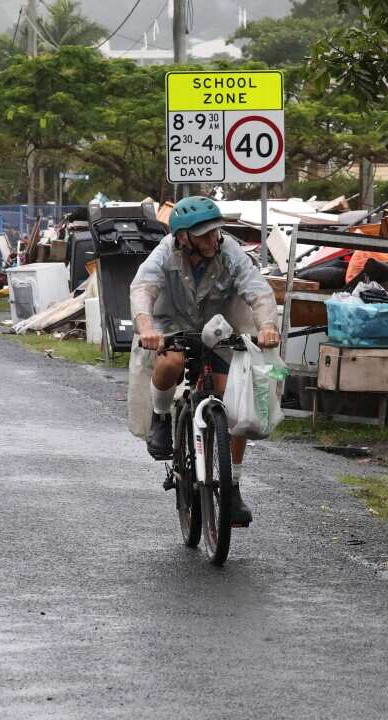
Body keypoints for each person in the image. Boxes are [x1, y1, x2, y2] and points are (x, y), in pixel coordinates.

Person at [129, 195, 279, 525]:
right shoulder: (165, 252)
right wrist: (147, 328)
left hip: (220, 327)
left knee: (235, 403)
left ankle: (232, 486)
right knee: (171, 363)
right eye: (204, 235)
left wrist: (267, 325)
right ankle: (161, 418)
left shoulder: (230, 251)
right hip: (171, 325)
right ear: (184, 237)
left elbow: (258, 291)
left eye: (215, 232)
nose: (213, 239)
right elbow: (143, 289)